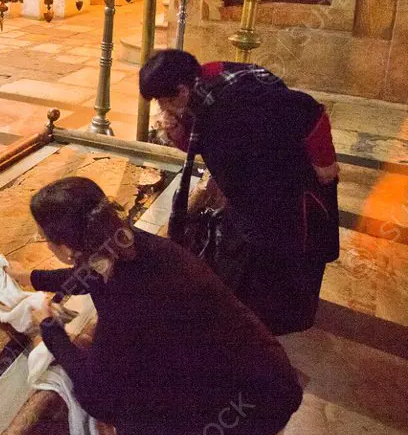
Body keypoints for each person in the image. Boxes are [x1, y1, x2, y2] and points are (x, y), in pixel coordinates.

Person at [11, 177, 303, 435]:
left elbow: (98, 397)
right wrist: (33, 277)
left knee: (133, 417)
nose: (43, 241)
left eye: (43, 238)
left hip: (253, 408)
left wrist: (50, 329)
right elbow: (92, 273)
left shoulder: (126, 297)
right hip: (266, 373)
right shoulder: (128, 244)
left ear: (66, 248)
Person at [139, 50, 340, 335]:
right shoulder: (203, 91)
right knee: (258, 258)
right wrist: (177, 133)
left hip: (290, 190)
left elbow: (308, 110)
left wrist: (324, 164)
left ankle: (280, 322)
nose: (163, 107)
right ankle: (263, 318)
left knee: (289, 257)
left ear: (181, 91)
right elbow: (212, 143)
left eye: (164, 100)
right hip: (258, 191)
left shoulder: (239, 98)